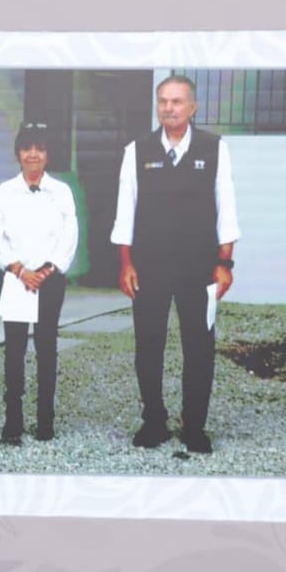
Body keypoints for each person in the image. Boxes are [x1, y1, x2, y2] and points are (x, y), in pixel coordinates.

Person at [110, 75, 241, 454]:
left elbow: (226, 208)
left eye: (177, 101)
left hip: (199, 267)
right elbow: (125, 210)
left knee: (199, 347)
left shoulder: (215, 149)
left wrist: (225, 263)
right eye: (163, 101)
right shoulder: (138, 150)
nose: (169, 108)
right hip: (148, 266)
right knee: (148, 346)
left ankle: (194, 426)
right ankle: (153, 421)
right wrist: (125, 263)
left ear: (193, 107)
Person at [0, 122, 79, 445]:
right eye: (27, 148)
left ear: (47, 154)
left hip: (49, 278)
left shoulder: (61, 192)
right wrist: (18, 269)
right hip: (15, 278)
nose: (33, 155)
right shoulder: (4, 191)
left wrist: (49, 268)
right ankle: (13, 420)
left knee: (46, 346)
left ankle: (45, 420)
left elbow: (70, 233)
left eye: (39, 148)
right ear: (18, 153)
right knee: (14, 349)